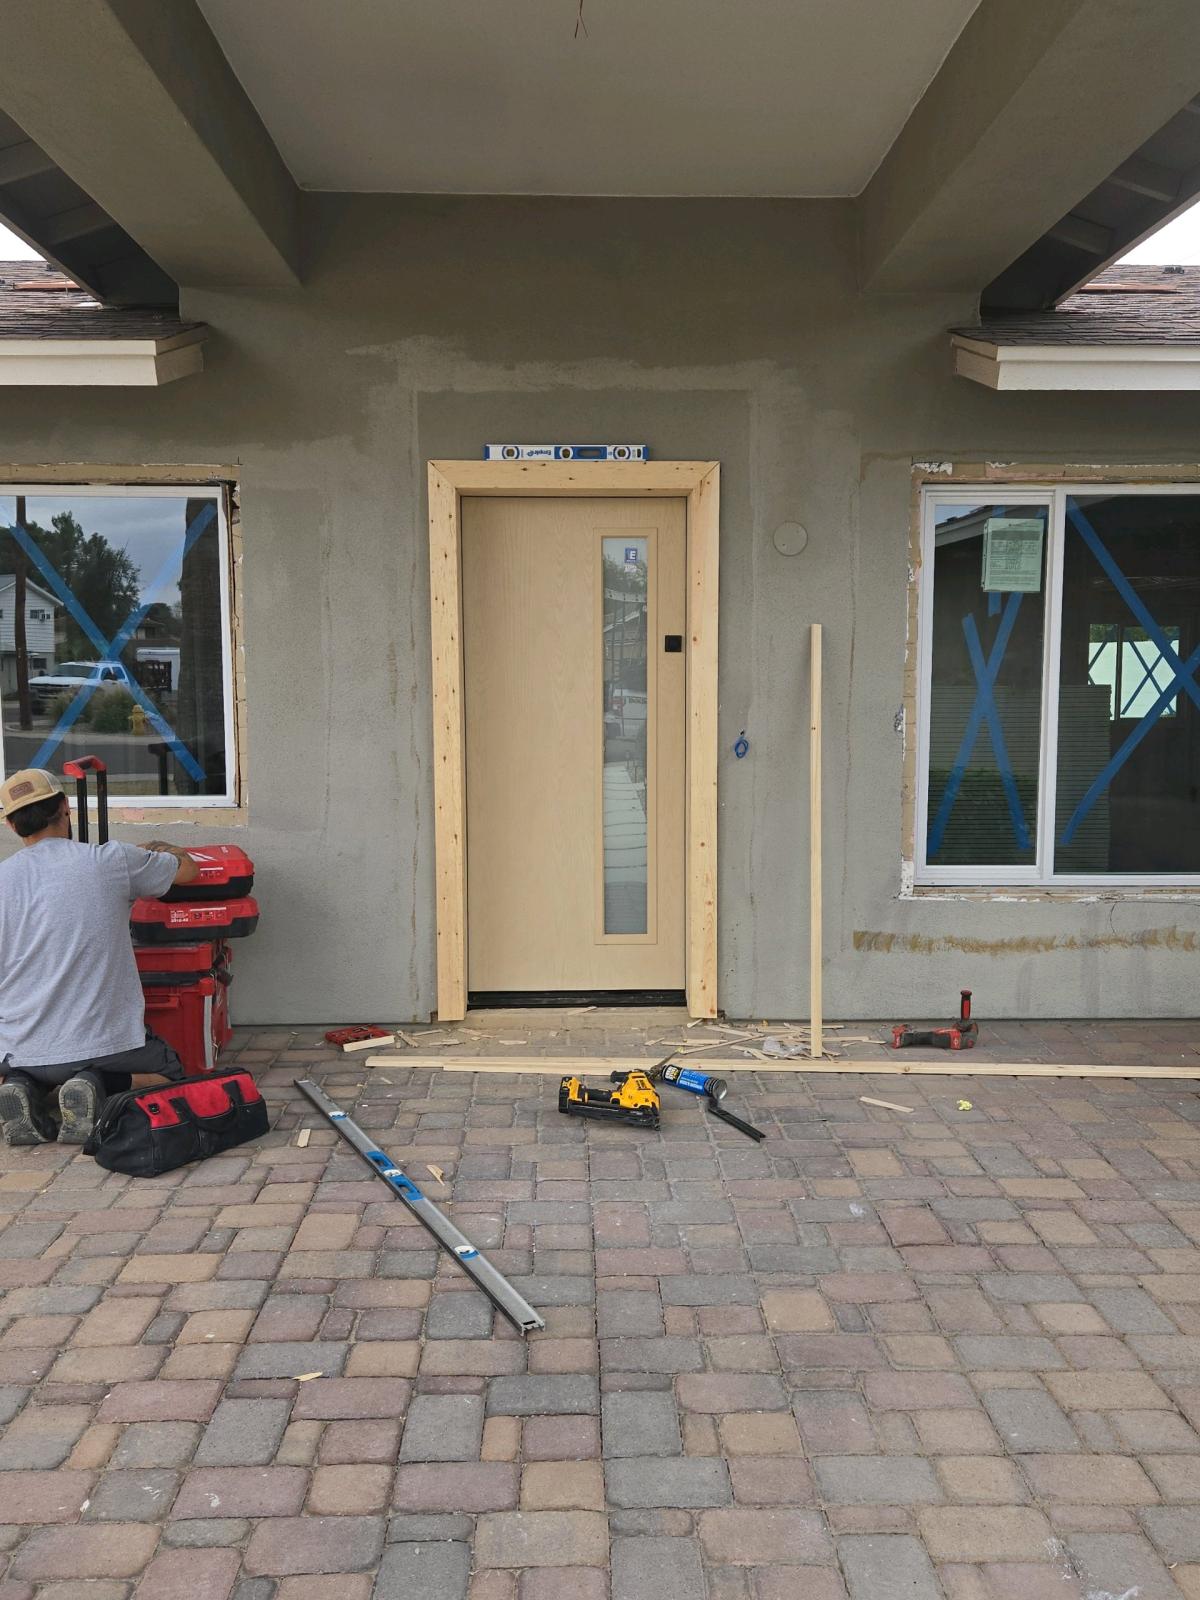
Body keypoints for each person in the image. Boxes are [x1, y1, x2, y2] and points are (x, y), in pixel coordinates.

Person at [0, 768, 199, 1146]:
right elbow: (189, 871)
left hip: (17, 1047)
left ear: (12, 825)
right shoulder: (111, 861)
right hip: (108, 1046)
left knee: (32, 1066)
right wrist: (163, 849)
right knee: (172, 1073)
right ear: (65, 807)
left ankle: (22, 1086)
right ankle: (94, 1086)